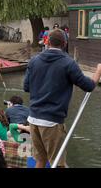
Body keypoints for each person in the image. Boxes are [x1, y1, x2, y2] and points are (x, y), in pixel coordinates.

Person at [24, 28, 101, 168]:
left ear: (47, 42)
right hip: (51, 122)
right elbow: (88, 86)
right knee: (58, 163)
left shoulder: (34, 61)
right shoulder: (68, 63)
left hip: (33, 119)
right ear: (64, 43)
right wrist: (98, 71)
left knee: (40, 160)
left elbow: (26, 87)